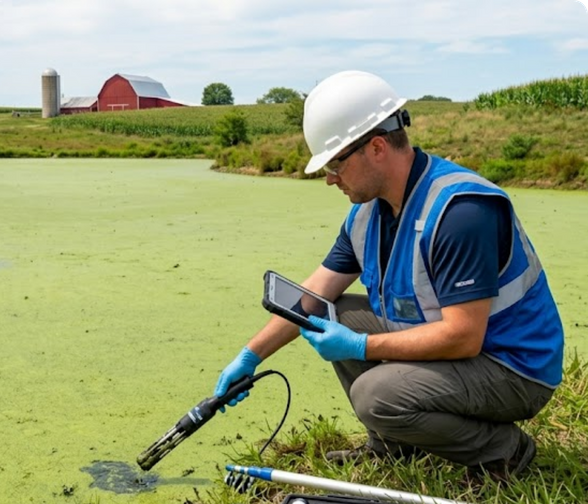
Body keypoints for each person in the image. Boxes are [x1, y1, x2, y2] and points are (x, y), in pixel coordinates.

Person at [214, 70, 564, 482]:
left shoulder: (460, 213)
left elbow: (464, 337)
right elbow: (313, 294)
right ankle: (392, 446)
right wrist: (251, 356)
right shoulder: (367, 214)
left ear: (377, 147)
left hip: (511, 368)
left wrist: (362, 346)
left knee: (374, 394)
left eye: (335, 164)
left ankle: (504, 452)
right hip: (462, 350)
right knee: (334, 312)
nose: (329, 179)